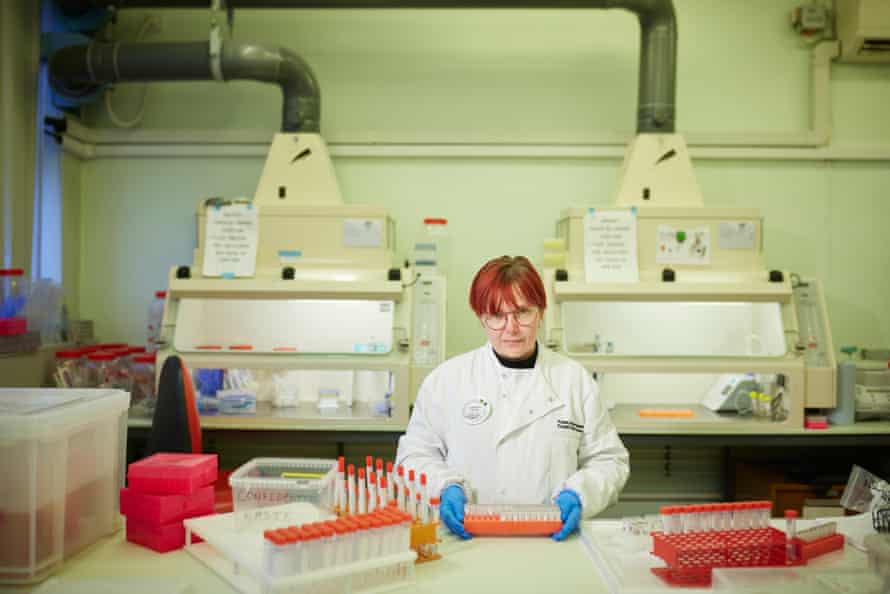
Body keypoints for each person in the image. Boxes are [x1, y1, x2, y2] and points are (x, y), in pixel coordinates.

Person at [396, 255, 629, 541]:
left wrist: (580, 494)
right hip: (469, 539)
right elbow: (414, 456)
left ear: (540, 312)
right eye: (497, 316)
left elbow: (609, 461)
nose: (511, 328)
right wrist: (443, 488)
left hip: (550, 539)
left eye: (522, 312)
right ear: (481, 318)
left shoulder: (574, 380)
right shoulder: (446, 381)